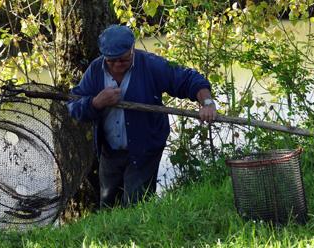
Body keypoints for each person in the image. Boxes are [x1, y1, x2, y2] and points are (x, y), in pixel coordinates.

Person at [67, 24, 217, 209]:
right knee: (108, 204)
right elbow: (73, 107)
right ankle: (110, 237)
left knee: (136, 204)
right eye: (111, 60)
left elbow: (189, 79)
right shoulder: (96, 70)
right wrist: (96, 103)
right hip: (109, 151)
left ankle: (138, 236)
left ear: (132, 49)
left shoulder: (152, 65)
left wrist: (207, 103)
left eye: (122, 59)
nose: (117, 65)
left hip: (145, 149)